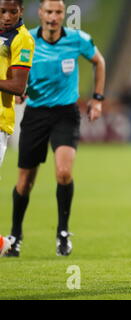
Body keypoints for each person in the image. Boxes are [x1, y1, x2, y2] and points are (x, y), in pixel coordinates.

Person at [4, 0, 106, 257]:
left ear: (64, 14)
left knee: (63, 172)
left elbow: (99, 61)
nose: (53, 16)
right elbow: (13, 68)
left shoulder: (77, 38)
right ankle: (15, 234)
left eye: (58, 12)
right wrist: (20, 91)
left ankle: (62, 231)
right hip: (35, 113)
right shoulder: (26, 40)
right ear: (40, 14)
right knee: (25, 182)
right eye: (48, 12)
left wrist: (97, 98)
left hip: (65, 114)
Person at [0, 0, 34, 255]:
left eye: (13, 11)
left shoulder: (22, 40)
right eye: (2, 11)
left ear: (21, 11)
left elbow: (18, 86)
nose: (7, 16)